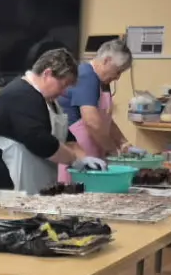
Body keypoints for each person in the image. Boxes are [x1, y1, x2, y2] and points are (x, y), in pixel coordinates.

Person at [0, 48, 107, 195]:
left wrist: (84, 157)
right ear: (47, 74)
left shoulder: (48, 101)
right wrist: (74, 160)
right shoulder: (21, 95)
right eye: (63, 85)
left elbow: (66, 136)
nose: (63, 92)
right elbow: (41, 142)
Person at [56, 39, 141, 182]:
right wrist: (113, 151)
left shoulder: (101, 81)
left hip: (92, 150)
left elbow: (105, 119)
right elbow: (92, 122)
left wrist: (123, 142)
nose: (117, 77)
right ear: (106, 60)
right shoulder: (86, 76)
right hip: (76, 149)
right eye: (118, 71)